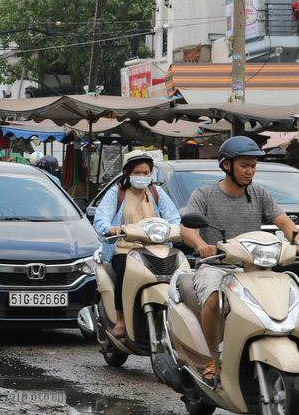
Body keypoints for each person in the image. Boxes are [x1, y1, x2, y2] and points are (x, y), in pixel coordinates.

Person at [179, 136, 299, 381]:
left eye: (253, 165)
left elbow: (286, 224)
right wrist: (202, 246)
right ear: (226, 165)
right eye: (245, 165)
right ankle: (214, 358)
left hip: (254, 268)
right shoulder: (205, 194)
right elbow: (186, 229)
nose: (250, 171)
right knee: (214, 301)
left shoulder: (259, 193)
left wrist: (297, 240)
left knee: (288, 299)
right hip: (217, 266)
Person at [92, 151, 181, 337]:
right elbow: (101, 219)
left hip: (155, 250)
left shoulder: (157, 192)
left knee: (178, 276)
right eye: (137, 173)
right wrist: (110, 229)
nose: (142, 177)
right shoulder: (117, 193)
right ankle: (121, 320)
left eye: (146, 173)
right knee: (124, 274)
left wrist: (177, 229)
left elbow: (174, 217)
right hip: (124, 250)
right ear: (127, 173)